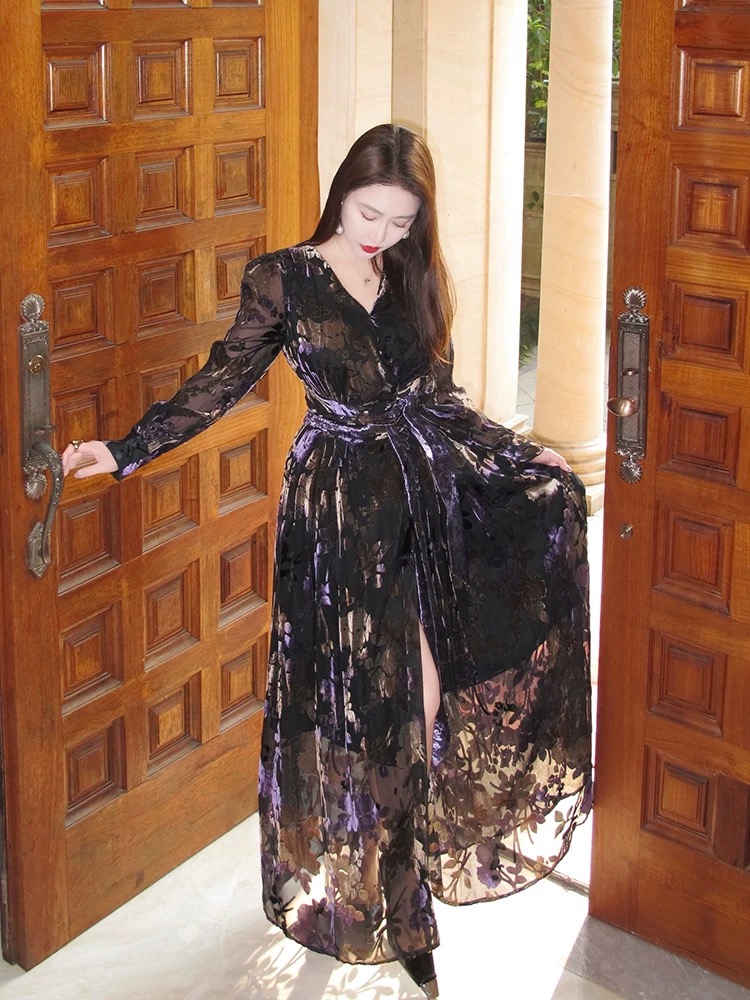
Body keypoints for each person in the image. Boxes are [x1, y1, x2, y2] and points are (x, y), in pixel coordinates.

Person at [63, 124, 592, 999]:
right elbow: (220, 381)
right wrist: (124, 451)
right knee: (360, 708)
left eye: (402, 220)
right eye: (368, 212)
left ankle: (399, 892)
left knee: (420, 700)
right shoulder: (285, 278)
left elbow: (436, 399)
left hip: (420, 501)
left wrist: (520, 451)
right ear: (341, 192)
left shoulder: (412, 277)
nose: (381, 233)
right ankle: (381, 900)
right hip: (337, 510)